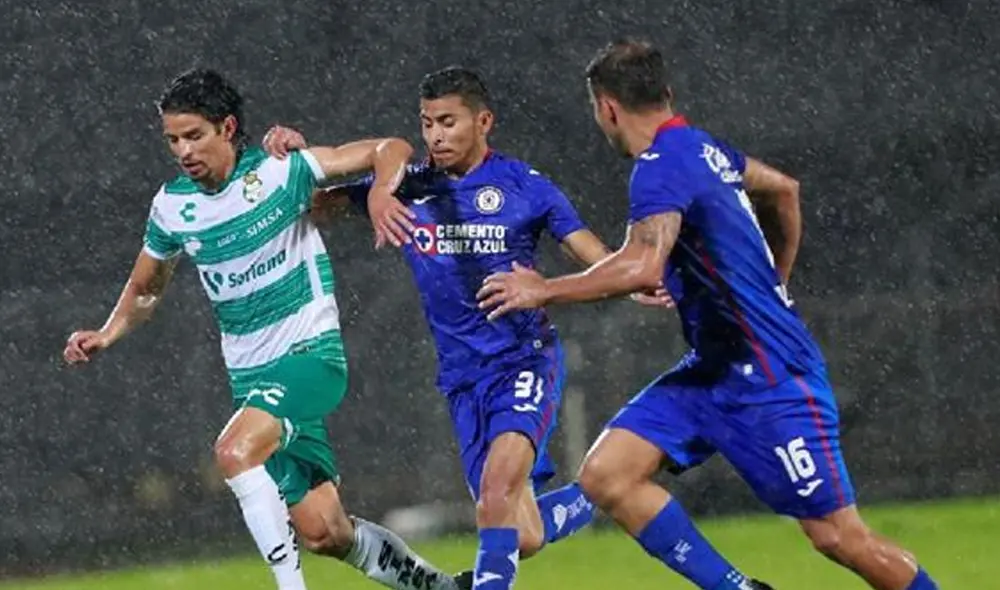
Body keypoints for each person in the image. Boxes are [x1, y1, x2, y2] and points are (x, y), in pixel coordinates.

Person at [477, 39, 940, 590]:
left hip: (772, 377)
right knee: (608, 475)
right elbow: (784, 192)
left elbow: (643, 266)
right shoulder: (703, 149)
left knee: (840, 537)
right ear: (666, 95)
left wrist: (543, 288)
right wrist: (775, 281)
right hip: (712, 370)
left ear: (606, 108)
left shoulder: (658, 167)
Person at [263, 66, 670, 590]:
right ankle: (602, 490)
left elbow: (593, 255)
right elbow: (315, 209)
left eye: (448, 122)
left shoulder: (526, 187)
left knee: (497, 495)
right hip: (461, 378)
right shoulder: (404, 187)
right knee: (518, 532)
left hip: (524, 361)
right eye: (427, 123)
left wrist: (632, 277)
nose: (435, 135)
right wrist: (293, 159)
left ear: (484, 121)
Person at [63, 68, 468, 590]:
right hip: (251, 381)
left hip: (311, 357)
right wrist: (106, 333)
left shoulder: (283, 171)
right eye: (173, 140)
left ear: (227, 128)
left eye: (194, 135)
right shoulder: (172, 208)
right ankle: (444, 588)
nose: (183, 150)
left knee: (234, 452)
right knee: (325, 531)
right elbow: (146, 289)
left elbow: (389, 147)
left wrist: (378, 195)